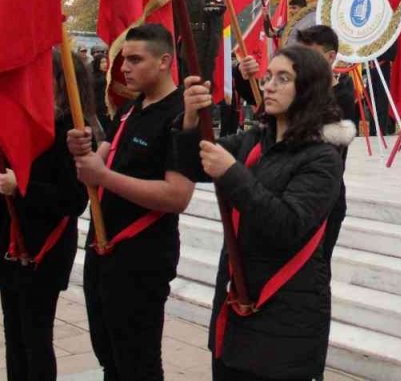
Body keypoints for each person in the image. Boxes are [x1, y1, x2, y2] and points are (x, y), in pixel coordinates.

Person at [176, 45, 351, 381]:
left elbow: (287, 225)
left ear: (309, 88)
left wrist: (232, 173)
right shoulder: (255, 140)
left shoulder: (323, 157)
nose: (268, 85)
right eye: (268, 76)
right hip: (237, 307)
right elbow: (190, 164)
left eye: (282, 78)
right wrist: (188, 120)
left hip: (286, 319)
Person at [67, 23, 194, 381]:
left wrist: (102, 176)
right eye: (124, 59)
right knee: (109, 357)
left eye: (136, 60)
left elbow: (177, 196)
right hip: (104, 250)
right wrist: (83, 150)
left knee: (137, 363)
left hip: (141, 258)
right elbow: (101, 159)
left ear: (164, 61)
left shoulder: (181, 116)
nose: (124, 67)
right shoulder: (131, 108)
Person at [0, 49, 95, 381]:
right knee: (13, 335)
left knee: (35, 337)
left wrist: (21, 186)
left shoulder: (74, 130)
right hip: (11, 246)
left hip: (44, 247)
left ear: (62, 83)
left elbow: (74, 200)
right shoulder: (22, 120)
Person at [241, 23, 356, 263]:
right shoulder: (297, 91)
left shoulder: (340, 96)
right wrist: (247, 78)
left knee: (313, 268)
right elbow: (267, 113)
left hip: (323, 198)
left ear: (330, 56)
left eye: (309, 55)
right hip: (284, 189)